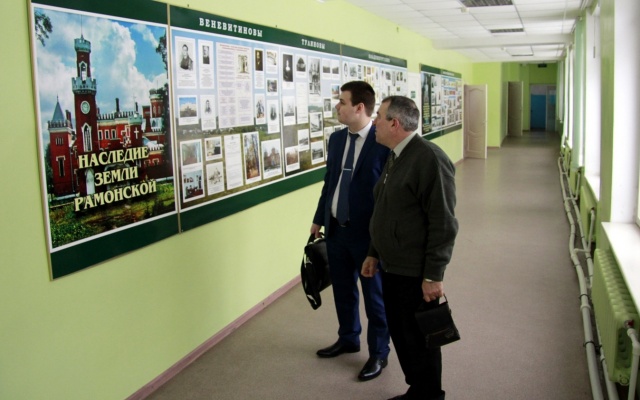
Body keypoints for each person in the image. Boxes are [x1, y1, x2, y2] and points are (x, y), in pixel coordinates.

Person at [362, 96, 458, 400]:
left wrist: (433, 275)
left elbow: (443, 222)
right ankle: (418, 391)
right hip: (392, 267)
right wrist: (374, 251)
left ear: (394, 123)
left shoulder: (429, 158)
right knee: (403, 335)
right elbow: (386, 209)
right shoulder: (396, 155)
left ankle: (429, 395)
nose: (374, 122)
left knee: (419, 339)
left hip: (415, 272)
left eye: (379, 116)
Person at [311, 81, 390, 381]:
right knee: (343, 291)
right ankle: (348, 338)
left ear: (359, 108)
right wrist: (319, 219)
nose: (337, 107)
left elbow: (388, 195)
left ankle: (379, 353)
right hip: (336, 231)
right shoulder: (336, 139)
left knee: (375, 298)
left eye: (342, 102)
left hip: (367, 237)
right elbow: (329, 182)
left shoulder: (382, 142)